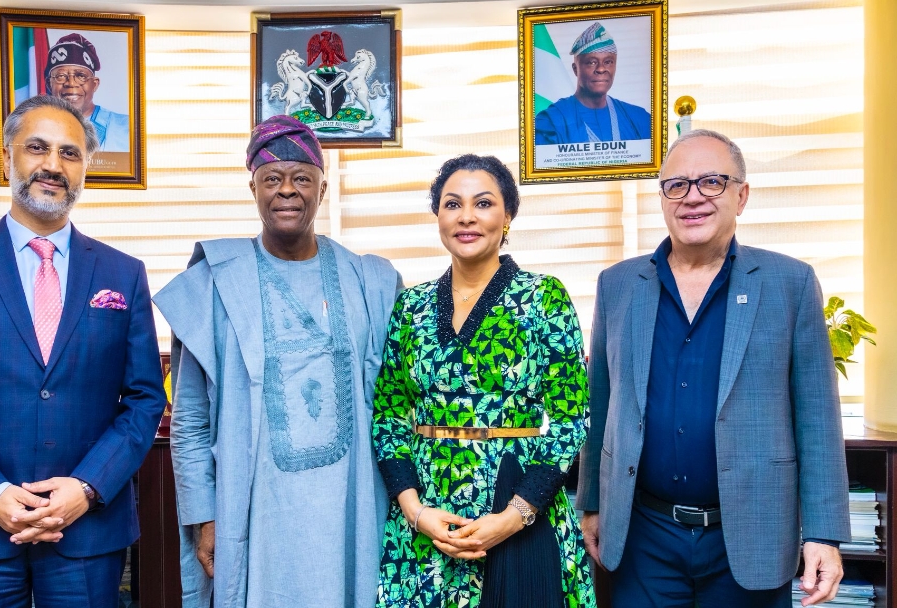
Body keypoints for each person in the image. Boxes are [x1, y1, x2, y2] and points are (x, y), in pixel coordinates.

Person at [0, 94, 167, 606]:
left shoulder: (123, 273)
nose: (53, 165)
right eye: (37, 147)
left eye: (69, 153)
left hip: (85, 530)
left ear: (85, 168)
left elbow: (145, 399)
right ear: (6, 158)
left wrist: (87, 488)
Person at [576, 129, 850, 607]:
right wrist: (592, 505)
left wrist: (824, 534)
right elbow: (600, 404)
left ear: (741, 196)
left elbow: (818, 419)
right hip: (644, 536)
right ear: (662, 198)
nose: (692, 197)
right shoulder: (618, 284)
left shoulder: (790, 284)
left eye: (711, 182)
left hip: (751, 533)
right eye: (676, 185)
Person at [152, 114, 403, 608]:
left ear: (322, 188)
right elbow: (190, 421)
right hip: (254, 516)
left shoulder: (370, 282)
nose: (287, 190)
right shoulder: (215, 284)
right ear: (253, 188)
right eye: (272, 178)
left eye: (302, 178)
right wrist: (204, 517)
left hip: (352, 511)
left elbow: (398, 405)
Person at [373, 154, 594, 608]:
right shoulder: (410, 307)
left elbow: (571, 420)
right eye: (453, 204)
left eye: (484, 203)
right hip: (426, 523)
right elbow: (389, 417)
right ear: (438, 216)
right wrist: (415, 512)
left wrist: (513, 516)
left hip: (518, 509)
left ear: (508, 215)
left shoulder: (543, 297)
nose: (467, 217)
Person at [533, 22, 651, 145]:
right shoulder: (552, 123)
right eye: (592, 62)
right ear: (575, 69)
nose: (601, 69)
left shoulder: (639, 119)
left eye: (608, 62)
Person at [45, 33, 130, 152]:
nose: (71, 83)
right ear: (49, 84)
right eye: (61, 76)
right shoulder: (34, 126)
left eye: (81, 76)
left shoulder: (127, 128)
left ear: (94, 84)